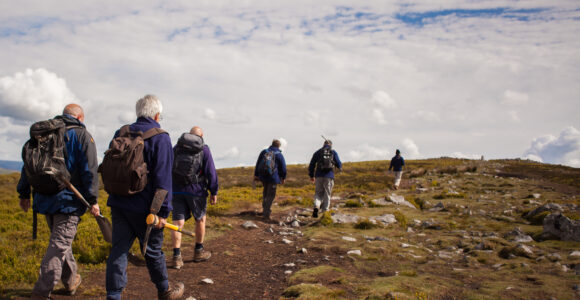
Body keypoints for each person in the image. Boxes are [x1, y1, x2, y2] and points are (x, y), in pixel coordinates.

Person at [17, 104, 100, 300]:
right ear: (80, 117)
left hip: (44, 198)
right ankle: (40, 293)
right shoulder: (81, 135)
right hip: (69, 202)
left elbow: (28, 165)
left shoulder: (45, 133)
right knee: (57, 248)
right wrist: (93, 199)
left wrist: (23, 193)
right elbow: (90, 170)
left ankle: (71, 282)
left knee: (61, 244)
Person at [105, 95, 183, 300]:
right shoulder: (160, 136)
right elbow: (163, 177)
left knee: (119, 250)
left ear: (138, 112)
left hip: (119, 202)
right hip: (147, 209)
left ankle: (113, 296)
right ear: (157, 115)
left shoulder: (121, 133)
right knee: (153, 251)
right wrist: (162, 211)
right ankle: (164, 291)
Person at [170, 126, 219, 270]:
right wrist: (213, 191)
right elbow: (211, 172)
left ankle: (176, 257)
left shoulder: (176, 148)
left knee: (177, 222)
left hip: (177, 191)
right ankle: (198, 251)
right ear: (201, 137)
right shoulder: (204, 149)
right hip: (196, 191)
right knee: (200, 219)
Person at [254, 139, 287, 221]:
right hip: (273, 178)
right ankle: (266, 214)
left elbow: (258, 163)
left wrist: (256, 175)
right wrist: (283, 178)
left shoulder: (264, 152)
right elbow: (283, 168)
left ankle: (265, 210)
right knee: (270, 196)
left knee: (265, 193)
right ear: (279, 146)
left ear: (272, 144)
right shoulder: (279, 154)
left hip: (263, 177)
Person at [308, 139, 342, 218]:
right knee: (327, 194)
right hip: (329, 176)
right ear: (331, 145)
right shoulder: (333, 152)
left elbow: (312, 164)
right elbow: (339, 163)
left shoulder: (318, 152)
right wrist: (339, 168)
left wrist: (311, 176)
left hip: (319, 176)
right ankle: (325, 212)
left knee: (318, 193)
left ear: (323, 144)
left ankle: (316, 205)